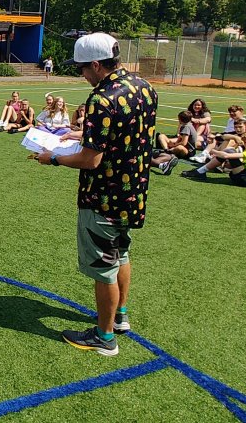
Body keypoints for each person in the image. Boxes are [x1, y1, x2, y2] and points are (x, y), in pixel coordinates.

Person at [37, 32, 157, 356]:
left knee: (104, 269)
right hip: (133, 192)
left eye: (81, 68)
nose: (81, 75)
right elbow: (124, 133)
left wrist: (53, 158)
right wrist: (79, 133)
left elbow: (91, 160)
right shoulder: (144, 87)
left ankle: (104, 338)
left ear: (95, 64)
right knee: (121, 255)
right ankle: (119, 317)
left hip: (103, 196)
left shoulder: (101, 98)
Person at [182, 131, 246, 187]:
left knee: (229, 152)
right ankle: (201, 171)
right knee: (230, 152)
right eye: (245, 142)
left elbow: (226, 156)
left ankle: (200, 172)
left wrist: (211, 150)